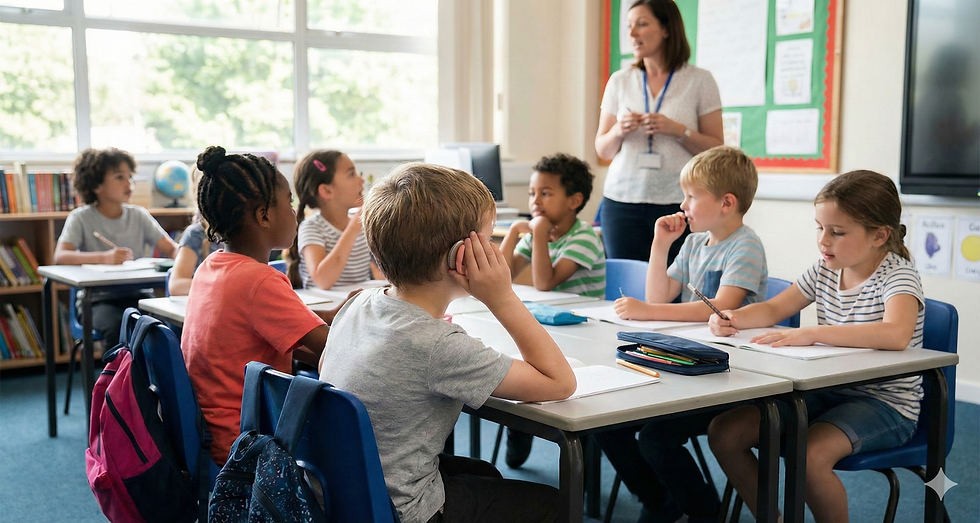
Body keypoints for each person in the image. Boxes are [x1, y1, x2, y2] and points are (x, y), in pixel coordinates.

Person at [319, 162, 577, 523]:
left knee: (485, 475)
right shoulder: (438, 345)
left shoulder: (359, 303)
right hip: (400, 509)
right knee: (553, 505)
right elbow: (560, 382)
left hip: (343, 491)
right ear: (462, 257)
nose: (493, 250)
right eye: (488, 240)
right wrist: (502, 297)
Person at [707, 170, 924, 523]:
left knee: (807, 456)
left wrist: (815, 333)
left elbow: (896, 334)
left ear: (879, 235)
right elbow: (777, 308)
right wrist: (734, 316)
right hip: (828, 390)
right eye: (819, 228)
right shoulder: (824, 269)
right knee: (725, 431)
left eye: (837, 232)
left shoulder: (897, 275)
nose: (824, 241)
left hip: (884, 404)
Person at [594, 145, 767, 523]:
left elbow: (721, 305)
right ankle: (662, 502)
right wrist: (660, 245)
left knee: (656, 439)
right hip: (687, 364)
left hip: (727, 377)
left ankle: (707, 513)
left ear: (726, 203)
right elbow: (660, 294)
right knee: (605, 424)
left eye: (691, 196)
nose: (682, 203)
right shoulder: (693, 242)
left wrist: (649, 311)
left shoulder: (746, 246)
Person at [180, 146, 346, 465]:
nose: (296, 212)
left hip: (212, 429)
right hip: (250, 441)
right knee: (360, 432)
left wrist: (335, 316)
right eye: (290, 203)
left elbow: (288, 332)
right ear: (264, 215)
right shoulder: (260, 280)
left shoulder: (212, 266)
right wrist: (357, 320)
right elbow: (334, 345)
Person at [498, 152, 606, 467]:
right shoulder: (536, 235)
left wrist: (539, 233)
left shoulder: (584, 236)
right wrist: (516, 233)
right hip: (550, 329)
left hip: (586, 332)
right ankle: (519, 429)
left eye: (546, 194)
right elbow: (501, 277)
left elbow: (546, 282)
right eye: (533, 194)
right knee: (518, 367)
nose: (536, 201)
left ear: (574, 200)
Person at [595, 0, 723, 263]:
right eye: (630, 26)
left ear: (666, 29)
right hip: (622, 202)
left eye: (642, 24)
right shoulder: (620, 80)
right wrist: (619, 130)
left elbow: (716, 150)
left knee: (673, 291)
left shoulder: (700, 80)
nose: (632, 34)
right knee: (626, 290)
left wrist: (678, 130)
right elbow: (602, 148)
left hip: (679, 204)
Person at [53, 147, 178, 347]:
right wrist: (104, 258)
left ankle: (150, 379)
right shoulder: (81, 217)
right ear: (96, 185)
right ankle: (118, 379)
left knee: (163, 324)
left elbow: (172, 248)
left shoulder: (139, 214)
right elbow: (61, 256)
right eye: (120, 177)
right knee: (119, 326)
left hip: (138, 295)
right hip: (96, 301)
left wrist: (185, 255)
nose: (129, 183)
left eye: (130, 177)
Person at [284, 150, 381, 290]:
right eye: (351, 174)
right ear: (327, 191)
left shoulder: (361, 226)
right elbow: (323, 280)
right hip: (324, 309)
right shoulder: (312, 228)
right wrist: (352, 230)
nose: (361, 180)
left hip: (355, 306)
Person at [167, 213, 222, 296]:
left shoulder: (241, 234)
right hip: (206, 300)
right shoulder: (196, 234)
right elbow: (176, 285)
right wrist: (218, 287)